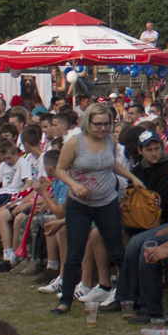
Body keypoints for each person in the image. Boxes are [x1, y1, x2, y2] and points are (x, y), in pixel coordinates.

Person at [51, 103, 134, 314]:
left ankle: (127, 295)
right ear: (87, 122)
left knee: (117, 249)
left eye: (106, 124)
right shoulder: (74, 143)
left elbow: (111, 164)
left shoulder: (110, 141)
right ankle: (65, 300)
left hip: (107, 202)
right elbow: (59, 169)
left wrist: (132, 177)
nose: (102, 129)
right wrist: (74, 185)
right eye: (97, 124)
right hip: (79, 205)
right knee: (75, 252)